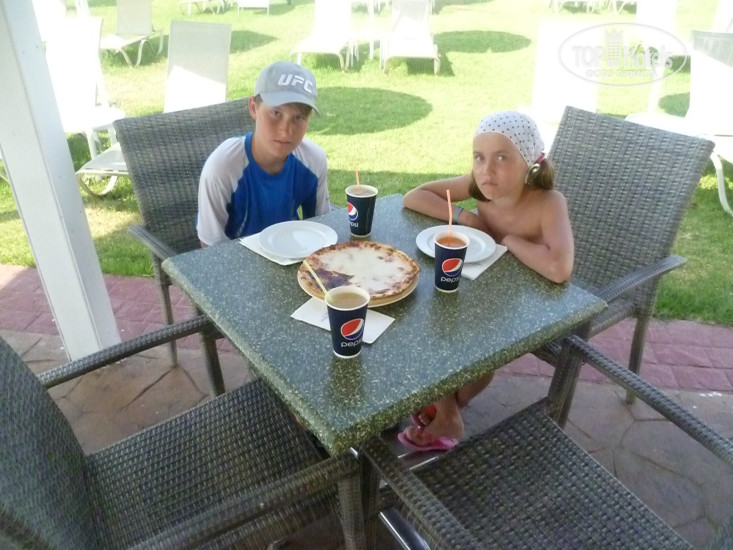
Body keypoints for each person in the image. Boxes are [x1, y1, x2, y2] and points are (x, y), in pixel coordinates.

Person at [399, 110, 575, 451]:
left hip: (527, 307)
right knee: (430, 314)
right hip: (483, 289)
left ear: (529, 163)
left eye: (502, 158)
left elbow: (559, 268)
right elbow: (413, 197)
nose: (486, 170)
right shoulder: (478, 186)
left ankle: (446, 410)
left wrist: (506, 240)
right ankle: (448, 409)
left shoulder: (548, 203)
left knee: (463, 336)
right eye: (479, 157)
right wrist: (464, 216)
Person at [197, 61, 331, 247]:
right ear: (253, 108)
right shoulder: (223, 167)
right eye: (276, 113)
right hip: (235, 260)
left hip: (294, 257)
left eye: (298, 117)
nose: (286, 130)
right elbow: (210, 246)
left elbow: (321, 230)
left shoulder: (313, 160)